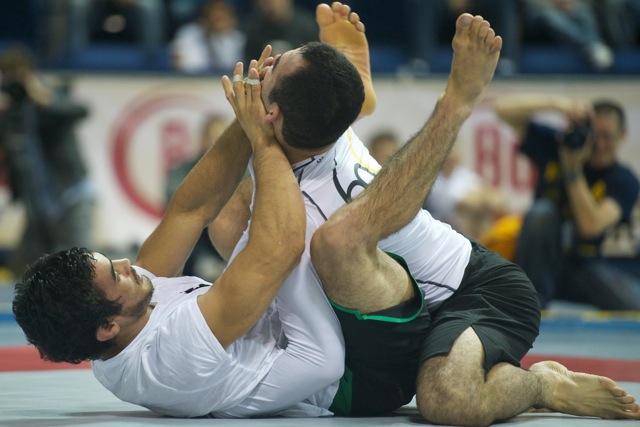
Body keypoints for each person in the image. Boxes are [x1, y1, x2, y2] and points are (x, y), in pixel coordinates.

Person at [12, 3, 640, 424]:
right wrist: (455, 102)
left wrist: (253, 126)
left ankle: (355, 92)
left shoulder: (131, 312)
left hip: (467, 288)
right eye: (116, 275)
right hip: (340, 351)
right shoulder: (168, 351)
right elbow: (276, 249)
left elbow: (193, 204)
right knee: (328, 241)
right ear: (106, 328)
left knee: (250, 217)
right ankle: (543, 383)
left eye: (271, 75)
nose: (128, 264)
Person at [213, 3, 640, 424]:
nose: (258, 68)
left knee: (448, 400)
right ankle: (357, 82)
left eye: (271, 68)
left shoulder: (318, 168)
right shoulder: (310, 137)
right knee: (234, 225)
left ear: (272, 114)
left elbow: (389, 209)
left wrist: (456, 101)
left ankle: (543, 384)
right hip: (385, 317)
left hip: (474, 290)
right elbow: (222, 216)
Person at [494, 94, 640, 310]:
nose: (599, 144)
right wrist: (558, 105)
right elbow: (502, 109)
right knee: (542, 212)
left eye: (607, 136)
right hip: (538, 265)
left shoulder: (623, 180)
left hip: (585, 267)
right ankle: (531, 306)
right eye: (594, 135)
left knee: (633, 303)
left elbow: (591, 227)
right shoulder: (557, 144)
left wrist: (572, 170)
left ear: (622, 135)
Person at [0, 46, 96, 278]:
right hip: (38, 203)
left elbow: (81, 111)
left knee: (80, 267)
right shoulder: (9, 110)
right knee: (27, 270)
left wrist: (41, 97)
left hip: (71, 193)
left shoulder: (51, 94)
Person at [165, 114, 228, 280]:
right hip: (196, 247)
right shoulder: (183, 170)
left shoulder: (244, 172)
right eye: (215, 138)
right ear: (203, 140)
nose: (221, 144)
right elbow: (177, 205)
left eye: (225, 137)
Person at [424, 142, 509, 239]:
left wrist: (487, 198)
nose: (452, 153)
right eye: (448, 149)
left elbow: (499, 201)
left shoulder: (464, 175)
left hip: (474, 235)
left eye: (454, 148)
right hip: (446, 236)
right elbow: (467, 203)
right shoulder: (432, 180)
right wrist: (484, 198)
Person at [522, 0, 614, 70]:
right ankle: (590, 46)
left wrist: (569, 8)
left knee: (582, 11)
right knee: (550, 16)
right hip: (541, 34)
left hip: (570, 30)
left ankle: (593, 44)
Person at [169, 0, 246, 73]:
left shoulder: (237, 39)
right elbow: (180, 64)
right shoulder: (188, 33)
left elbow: (234, 66)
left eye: (223, 18)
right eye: (215, 18)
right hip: (190, 80)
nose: (219, 23)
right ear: (205, 18)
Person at [243, 0, 318, 62]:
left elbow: (315, 59)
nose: (271, 3)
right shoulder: (254, 28)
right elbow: (251, 60)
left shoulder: (307, 26)